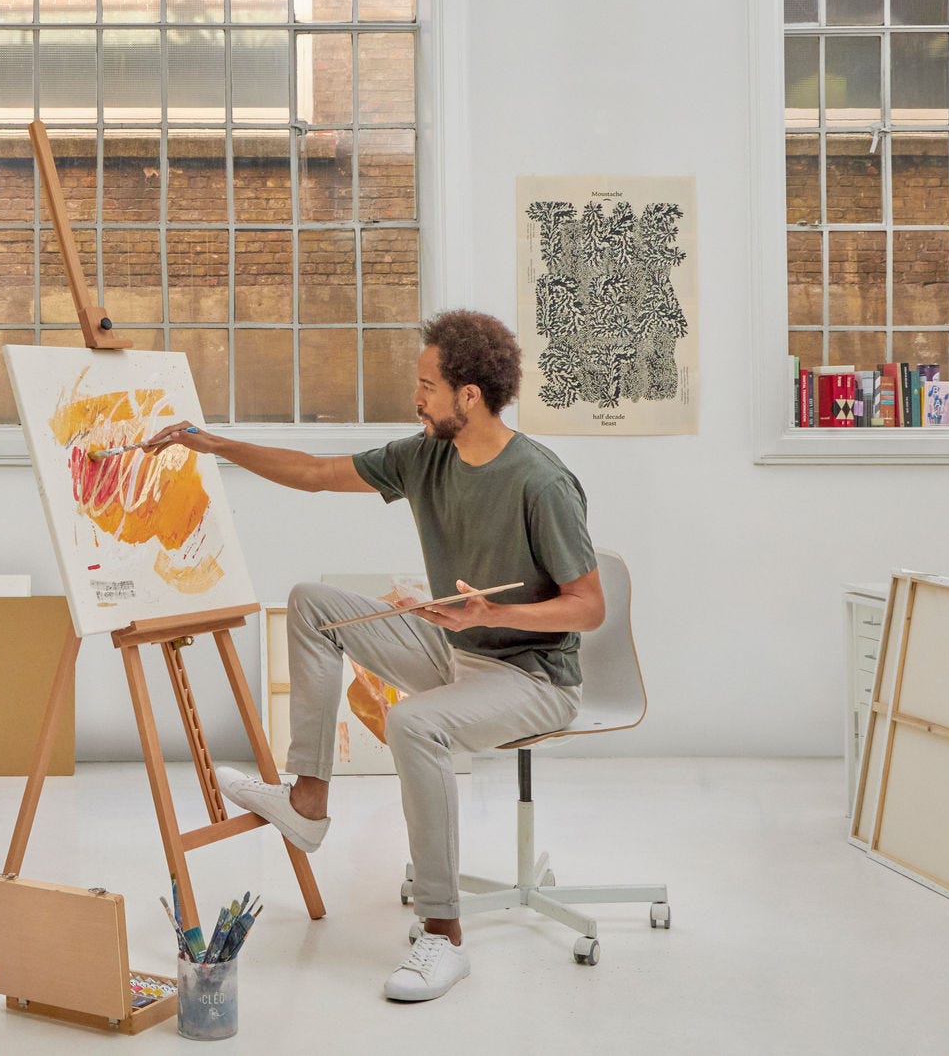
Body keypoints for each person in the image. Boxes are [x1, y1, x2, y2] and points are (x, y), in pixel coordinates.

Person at [140, 309, 602, 1003]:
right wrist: (210, 444)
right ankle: (307, 799)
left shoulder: (539, 480)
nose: (415, 397)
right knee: (312, 603)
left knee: (416, 723)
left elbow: (589, 606)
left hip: (533, 677)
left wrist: (494, 612)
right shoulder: (425, 456)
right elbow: (318, 472)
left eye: (425, 384)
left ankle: (443, 934)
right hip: (457, 648)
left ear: (467, 395)